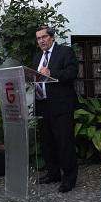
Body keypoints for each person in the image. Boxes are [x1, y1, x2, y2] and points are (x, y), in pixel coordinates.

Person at [32, 25, 79, 193]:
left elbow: (72, 72)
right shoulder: (37, 56)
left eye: (44, 37)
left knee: (64, 143)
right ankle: (53, 173)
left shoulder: (65, 52)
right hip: (43, 105)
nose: (41, 41)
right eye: (38, 38)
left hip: (61, 106)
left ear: (52, 37)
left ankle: (69, 178)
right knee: (47, 143)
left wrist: (51, 73)